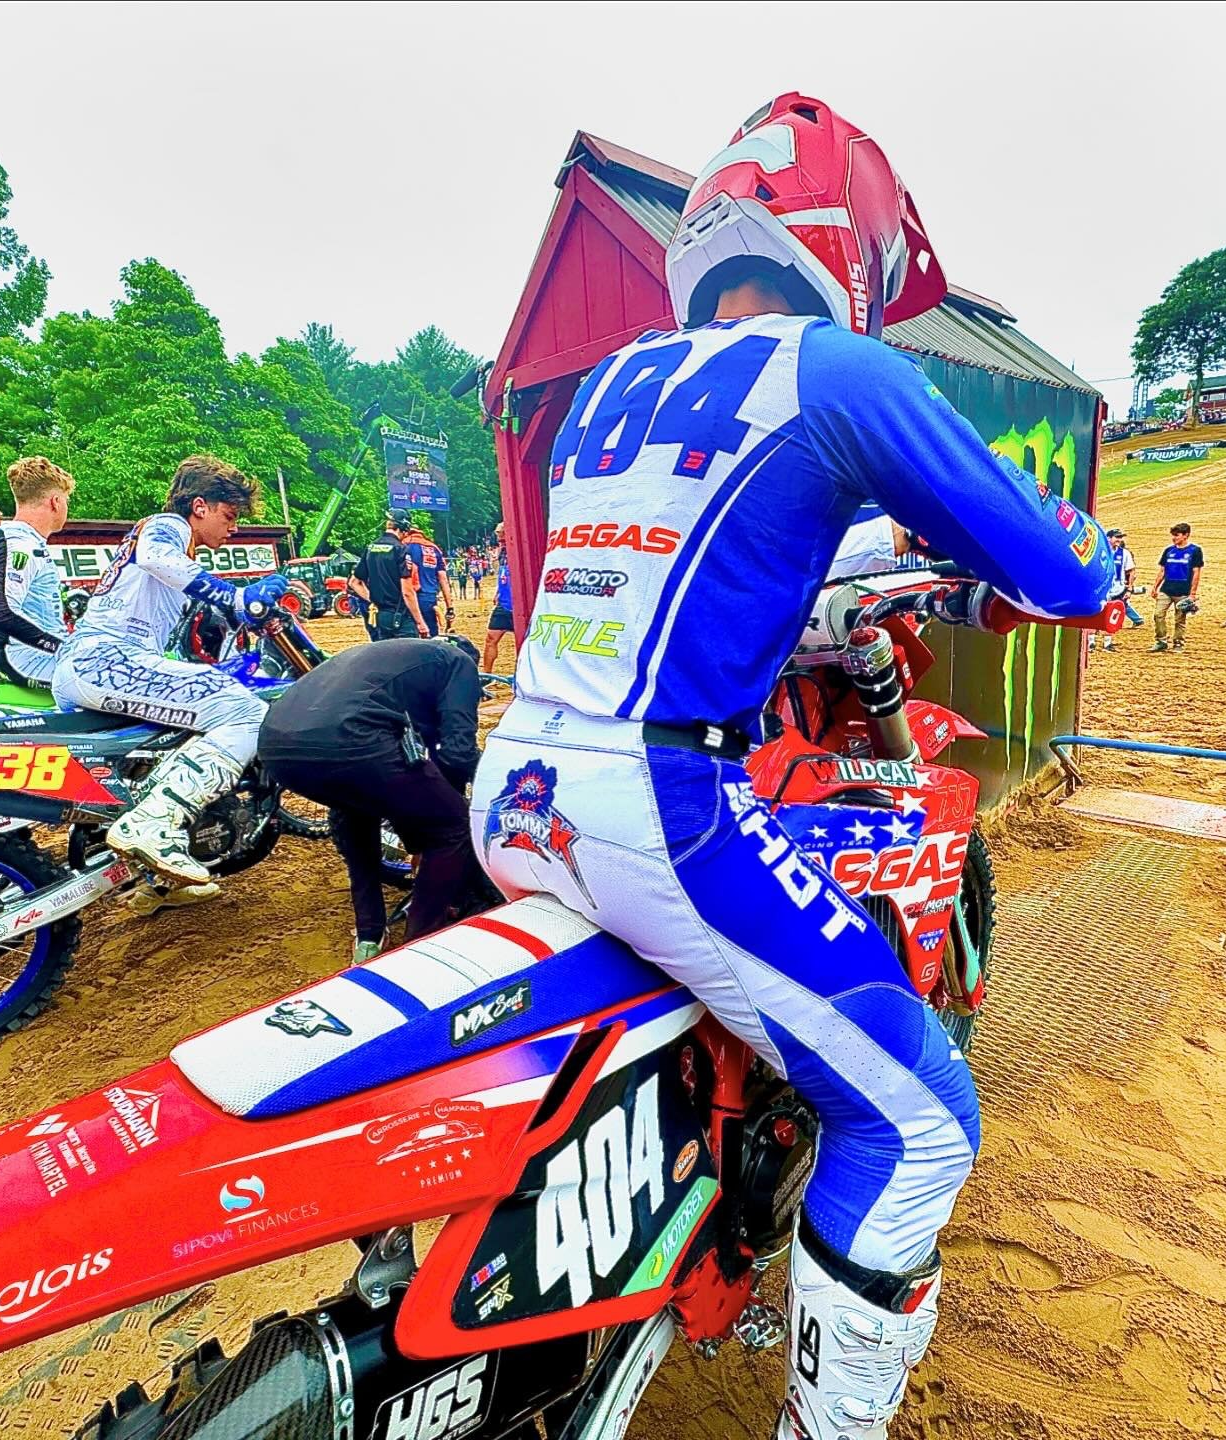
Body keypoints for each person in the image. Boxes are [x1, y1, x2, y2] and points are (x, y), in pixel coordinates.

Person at [469, 94, 1114, 1440]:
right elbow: (1053, 568)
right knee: (922, 1121)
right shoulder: (835, 369)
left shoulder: (605, 389)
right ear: (851, 249)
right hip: (661, 803)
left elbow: (720, 562)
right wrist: (1083, 558)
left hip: (517, 783)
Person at [52, 454, 288, 884]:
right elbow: (156, 556)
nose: (234, 528)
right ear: (199, 506)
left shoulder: (181, 551)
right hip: (104, 659)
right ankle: (155, 824)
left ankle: (156, 882)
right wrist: (236, 597)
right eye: (229, 515)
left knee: (169, 747)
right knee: (246, 713)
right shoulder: (168, 526)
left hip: (95, 662)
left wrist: (243, 606)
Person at [260, 636, 490, 961]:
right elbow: (457, 753)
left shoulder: (392, 658)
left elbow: (423, 750)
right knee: (453, 826)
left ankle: (369, 935)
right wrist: (446, 812)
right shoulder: (460, 664)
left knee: (355, 809)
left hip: (276, 746)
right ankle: (419, 945)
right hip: (349, 738)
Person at [0, 458, 74, 688]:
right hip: (30, 660)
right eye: (66, 500)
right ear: (55, 502)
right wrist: (60, 646)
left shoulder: (11, 537)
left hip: (25, 654)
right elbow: (1, 613)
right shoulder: (21, 544)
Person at [348, 512, 429, 640]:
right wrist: (420, 623)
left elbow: (354, 582)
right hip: (400, 616)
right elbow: (407, 592)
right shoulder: (401, 549)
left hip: (380, 616)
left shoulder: (371, 548)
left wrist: (373, 600)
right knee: (408, 652)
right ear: (404, 527)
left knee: (385, 651)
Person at [1151, 522, 1203, 653]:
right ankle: (1161, 641)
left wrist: (1192, 593)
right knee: (1158, 615)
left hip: (1183, 591)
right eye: (1173, 535)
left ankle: (1178, 643)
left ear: (1186, 535)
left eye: (1177, 535)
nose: (1174, 538)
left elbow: (1196, 573)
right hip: (1166, 589)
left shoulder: (1195, 551)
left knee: (1179, 619)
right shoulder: (1168, 551)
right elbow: (1162, 570)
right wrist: (1155, 587)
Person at [402, 518, 456, 635]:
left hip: (407, 596)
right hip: (429, 597)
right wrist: (449, 607)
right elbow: (443, 579)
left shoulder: (403, 545)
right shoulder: (434, 548)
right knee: (430, 635)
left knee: (409, 635)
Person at [1091, 527, 1139, 653]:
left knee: (1111, 615)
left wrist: (1129, 588)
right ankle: (1091, 642)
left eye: (1120, 537)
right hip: (1100, 589)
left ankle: (1107, 643)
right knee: (1095, 614)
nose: (1119, 540)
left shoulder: (1125, 553)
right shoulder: (1099, 550)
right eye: (1117, 537)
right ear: (1108, 538)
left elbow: (1131, 570)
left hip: (1117, 589)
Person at [479, 521, 515, 676]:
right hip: (503, 603)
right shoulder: (502, 552)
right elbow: (503, 574)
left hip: (519, 606)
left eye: (502, 534)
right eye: (498, 534)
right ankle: (487, 674)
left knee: (523, 643)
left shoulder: (519, 550)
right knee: (491, 638)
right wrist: (498, 591)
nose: (499, 538)